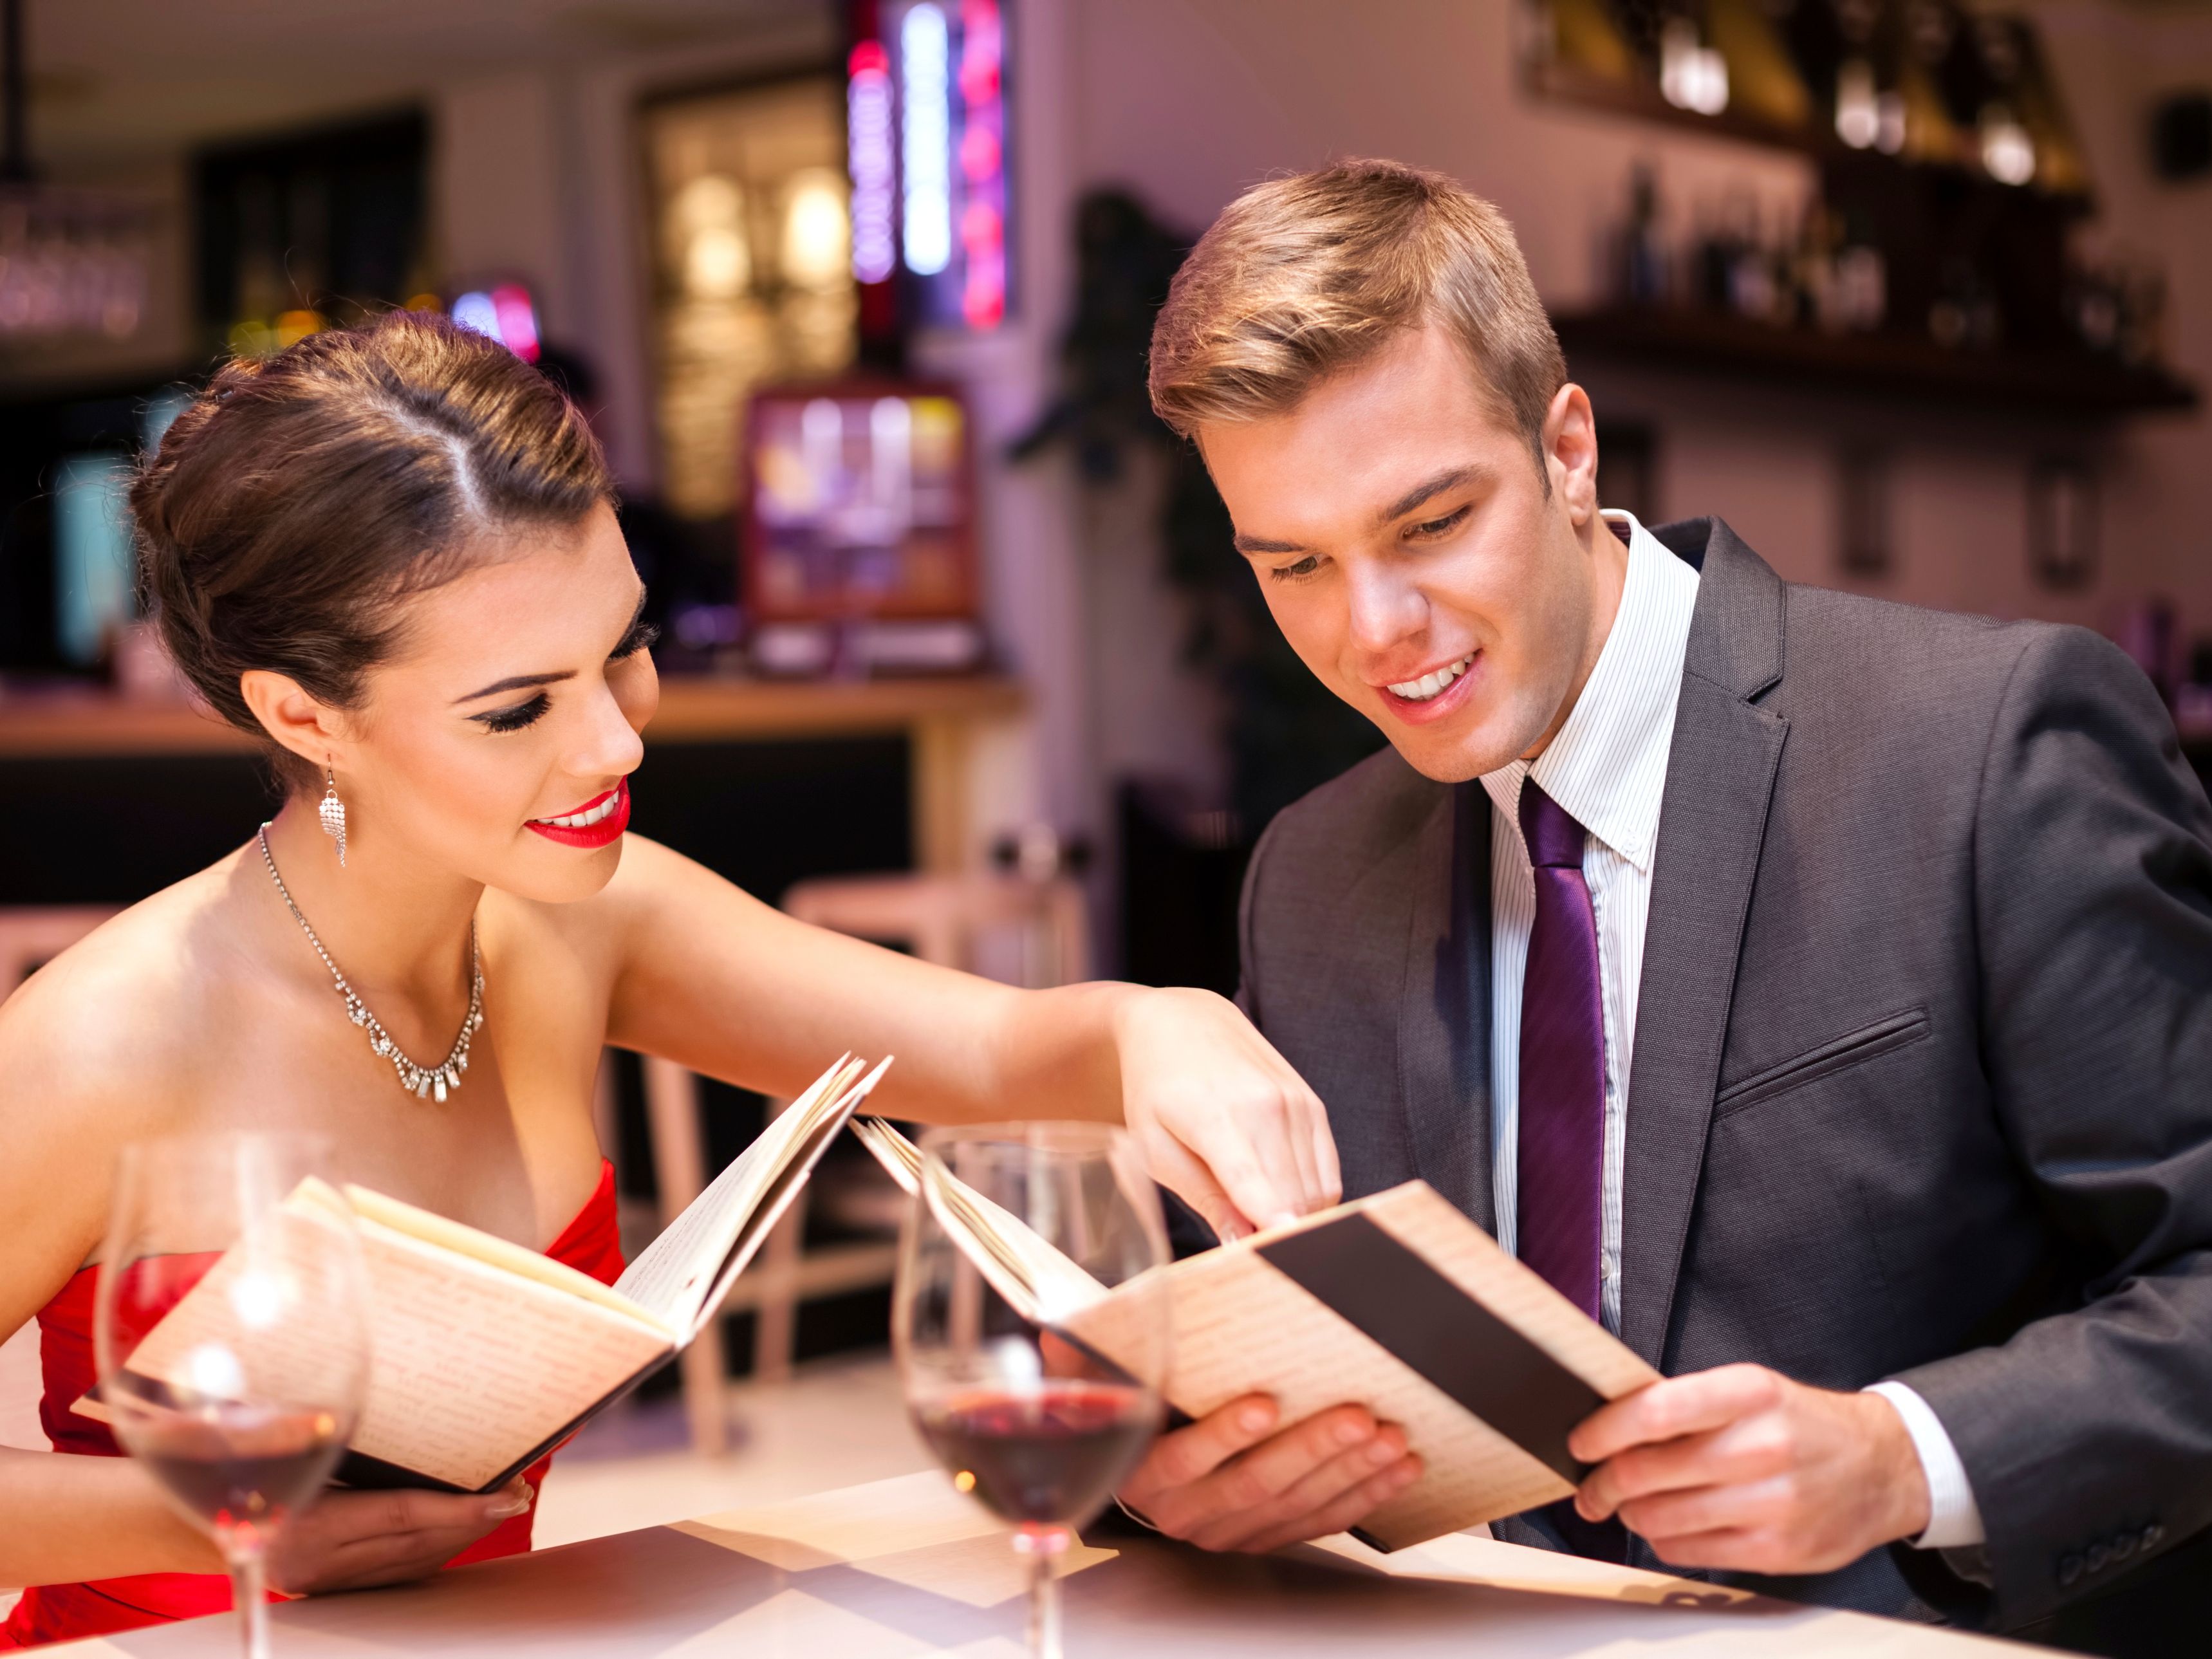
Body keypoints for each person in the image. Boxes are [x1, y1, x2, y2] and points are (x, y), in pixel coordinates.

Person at [0, 312, 1337, 1648]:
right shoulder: (108, 1037)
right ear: (305, 715)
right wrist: (223, 1517)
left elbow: (991, 1053)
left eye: (624, 650)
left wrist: (1163, 1022)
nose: (614, 741)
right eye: (517, 708)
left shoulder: (586, 919)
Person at [1112, 159, 2212, 1653]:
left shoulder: (1985, 747)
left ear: (1569, 451)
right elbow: (1244, 1349)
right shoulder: (1311, 873)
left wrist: (1904, 1456)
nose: (1374, 631)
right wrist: (1173, 1469)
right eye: (1296, 563)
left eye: (1430, 524)